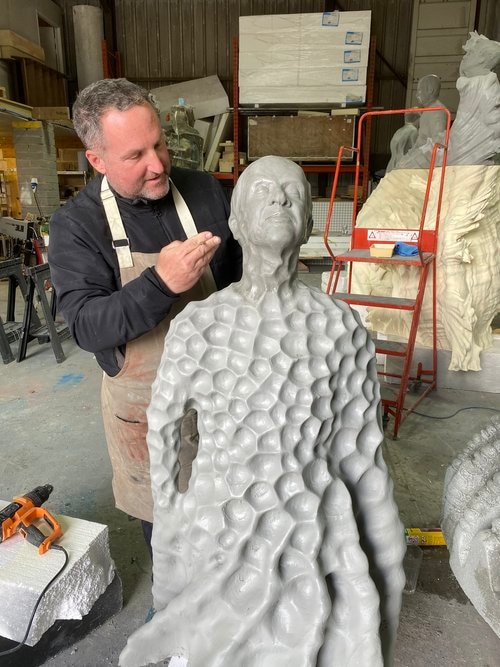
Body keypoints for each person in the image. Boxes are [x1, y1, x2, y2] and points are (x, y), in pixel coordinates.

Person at [119, 156, 405, 667]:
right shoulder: (199, 326)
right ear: (235, 221)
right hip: (217, 527)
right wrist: (170, 534)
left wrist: (387, 559)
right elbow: (163, 439)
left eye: (293, 192)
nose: (279, 199)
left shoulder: (342, 327)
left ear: (311, 224)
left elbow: (363, 455)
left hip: (311, 529)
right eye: (263, 191)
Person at [48, 78, 242, 549]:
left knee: (232, 509)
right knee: (168, 525)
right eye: (135, 156)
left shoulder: (205, 192)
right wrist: (160, 285)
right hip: (147, 408)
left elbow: (240, 276)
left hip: (226, 390)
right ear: (97, 160)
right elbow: (88, 326)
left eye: (158, 145)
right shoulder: (77, 225)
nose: (157, 165)